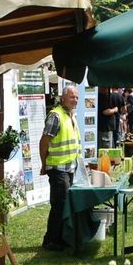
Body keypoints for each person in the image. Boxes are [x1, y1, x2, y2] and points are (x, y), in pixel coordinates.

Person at [39, 86, 81, 251]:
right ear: (63, 98)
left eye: (76, 97)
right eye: (71, 97)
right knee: (60, 203)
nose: (75, 100)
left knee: (64, 203)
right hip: (57, 167)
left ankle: (61, 238)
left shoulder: (70, 115)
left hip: (69, 167)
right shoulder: (56, 116)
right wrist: (44, 164)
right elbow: (44, 142)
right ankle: (50, 240)